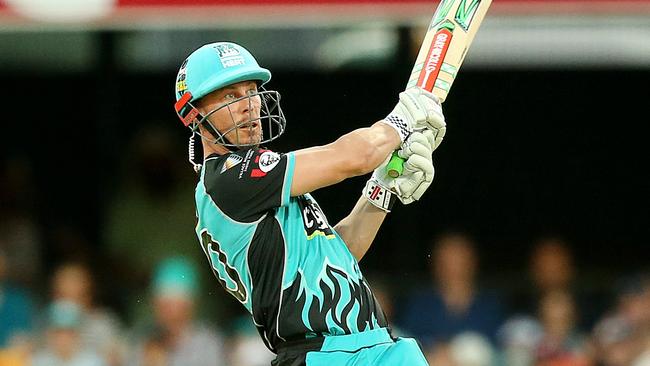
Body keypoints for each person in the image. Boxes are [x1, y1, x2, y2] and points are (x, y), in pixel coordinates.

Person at [172, 42, 446, 365]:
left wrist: (382, 187)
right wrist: (401, 122)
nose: (249, 104)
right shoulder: (229, 180)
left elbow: (339, 254)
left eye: (250, 91)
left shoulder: (255, 185)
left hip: (374, 347)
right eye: (230, 97)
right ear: (194, 114)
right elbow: (351, 158)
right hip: (321, 355)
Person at [398, 232, 503, 354]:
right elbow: (406, 342)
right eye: (446, 261)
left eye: (459, 260)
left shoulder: (489, 305)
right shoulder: (420, 304)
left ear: (473, 263)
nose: (453, 268)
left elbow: (498, 345)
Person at [126, 257, 225, 366]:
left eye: (172, 304)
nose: (166, 312)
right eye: (162, 304)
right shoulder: (141, 339)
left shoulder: (208, 343)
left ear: (190, 304)